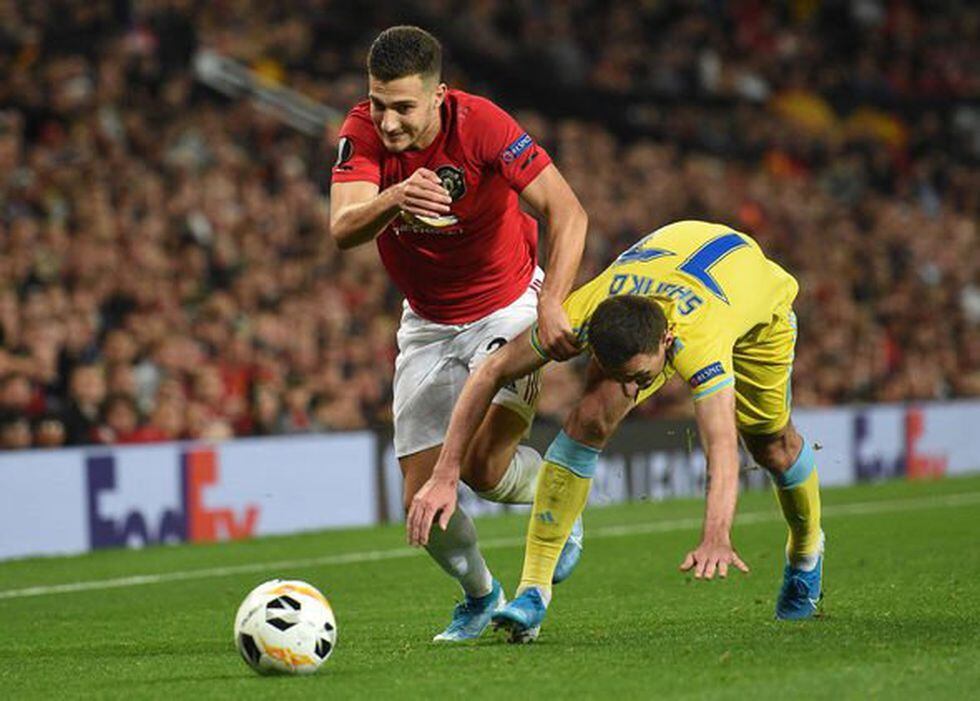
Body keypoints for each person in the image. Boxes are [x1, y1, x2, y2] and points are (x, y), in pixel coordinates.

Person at [408, 220, 825, 642]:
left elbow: (721, 447)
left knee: (771, 448)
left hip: (755, 314)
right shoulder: (582, 312)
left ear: (667, 341)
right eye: (625, 376)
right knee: (591, 415)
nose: (634, 387)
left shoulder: (701, 343)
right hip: (671, 265)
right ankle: (533, 592)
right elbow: (491, 371)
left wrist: (716, 535)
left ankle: (806, 555)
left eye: (641, 377)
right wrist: (446, 471)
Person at [328, 26, 589, 641]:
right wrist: (395, 196)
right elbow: (342, 228)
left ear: (438, 95)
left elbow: (568, 211)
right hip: (427, 323)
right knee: (421, 504)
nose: (388, 121)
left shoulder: (483, 125)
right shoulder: (362, 131)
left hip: (508, 307)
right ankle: (480, 595)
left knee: (482, 468)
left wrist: (552, 302)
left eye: (403, 107)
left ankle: (560, 497)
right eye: (379, 103)